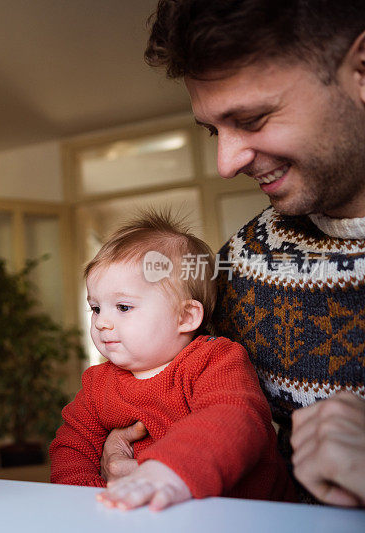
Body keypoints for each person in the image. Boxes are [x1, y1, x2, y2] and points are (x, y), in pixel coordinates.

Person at [96, 0, 365, 507]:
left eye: (253, 118)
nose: (226, 162)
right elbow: (197, 409)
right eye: (214, 130)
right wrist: (126, 447)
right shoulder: (234, 264)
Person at [49, 212, 294, 511]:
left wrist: (169, 470)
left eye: (123, 307)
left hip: (247, 515)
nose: (102, 322)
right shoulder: (97, 383)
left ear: (186, 317)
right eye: (96, 308)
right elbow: (71, 447)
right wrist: (92, 499)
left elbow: (234, 418)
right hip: (147, 514)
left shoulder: (214, 360)